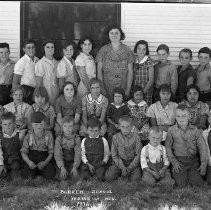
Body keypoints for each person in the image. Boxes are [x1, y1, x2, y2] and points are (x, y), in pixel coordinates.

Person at [165, 104, 207, 187]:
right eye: (178, 116)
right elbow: (168, 147)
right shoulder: (171, 130)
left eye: (184, 116)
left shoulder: (195, 130)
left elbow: (202, 148)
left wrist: (203, 164)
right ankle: (181, 177)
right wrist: (174, 162)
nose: (181, 118)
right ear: (175, 117)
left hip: (193, 161)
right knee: (181, 184)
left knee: (198, 184)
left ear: (189, 116)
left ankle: (193, 176)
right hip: (179, 161)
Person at [96, 25, 134, 101]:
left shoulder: (127, 50)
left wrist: (128, 89)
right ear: (108, 35)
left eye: (116, 33)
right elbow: (99, 70)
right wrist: (102, 88)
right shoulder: (103, 50)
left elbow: (130, 71)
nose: (114, 35)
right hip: (107, 86)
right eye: (111, 33)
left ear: (121, 35)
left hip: (122, 85)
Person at [105, 115, 142, 182]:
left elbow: (138, 155)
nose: (125, 129)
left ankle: (126, 174)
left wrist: (129, 168)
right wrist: (122, 168)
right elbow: (114, 155)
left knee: (136, 179)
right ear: (119, 127)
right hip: (119, 162)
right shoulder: (115, 137)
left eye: (128, 127)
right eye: (123, 127)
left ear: (131, 127)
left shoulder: (136, 138)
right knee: (108, 177)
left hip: (132, 163)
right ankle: (122, 173)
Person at [21, 111, 56, 179]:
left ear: (44, 123)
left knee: (51, 174)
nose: (39, 126)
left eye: (41, 124)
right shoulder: (29, 135)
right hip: (32, 157)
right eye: (36, 124)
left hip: (44, 157)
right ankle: (36, 171)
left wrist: (45, 163)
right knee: (27, 176)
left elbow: (51, 152)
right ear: (32, 125)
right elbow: (23, 152)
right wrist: (29, 162)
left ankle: (39, 171)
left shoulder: (49, 135)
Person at [13, 39, 39, 105]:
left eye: (33, 47)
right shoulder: (21, 62)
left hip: (36, 91)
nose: (31, 50)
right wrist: (18, 98)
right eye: (28, 47)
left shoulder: (37, 59)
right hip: (26, 92)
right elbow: (15, 82)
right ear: (24, 49)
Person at [54, 116, 81, 181]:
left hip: (73, 161)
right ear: (62, 127)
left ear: (73, 127)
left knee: (75, 177)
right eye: (65, 126)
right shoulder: (59, 139)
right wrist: (62, 167)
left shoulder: (77, 138)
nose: (67, 129)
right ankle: (63, 170)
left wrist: (75, 166)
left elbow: (78, 153)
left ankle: (72, 170)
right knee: (62, 177)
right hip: (63, 161)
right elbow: (58, 154)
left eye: (70, 126)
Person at [0, 112, 25, 180]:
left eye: (10, 123)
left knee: (14, 176)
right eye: (5, 124)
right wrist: (1, 165)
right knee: (3, 175)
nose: (7, 126)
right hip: (4, 159)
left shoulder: (19, 135)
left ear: (14, 124)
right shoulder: (0, 136)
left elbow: (23, 149)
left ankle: (14, 172)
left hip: (15, 160)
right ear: (1, 125)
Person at [35, 40, 59, 106]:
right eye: (48, 47)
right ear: (44, 49)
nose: (50, 49)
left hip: (56, 90)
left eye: (52, 47)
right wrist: (40, 96)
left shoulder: (57, 62)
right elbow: (39, 83)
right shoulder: (40, 63)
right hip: (46, 91)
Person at [133, 40, 154, 105]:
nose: (141, 51)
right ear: (136, 49)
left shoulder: (149, 61)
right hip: (135, 92)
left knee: (145, 108)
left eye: (144, 49)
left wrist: (142, 93)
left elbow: (151, 80)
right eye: (139, 49)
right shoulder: (134, 61)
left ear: (146, 50)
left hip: (146, 91)